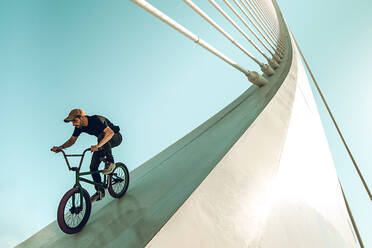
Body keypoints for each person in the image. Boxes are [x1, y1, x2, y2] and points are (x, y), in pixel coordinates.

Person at [51, 109, 122, 202]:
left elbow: (110, 133)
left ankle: (110, 162)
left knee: (102, 136)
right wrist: (60, 148)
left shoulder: (95, 120)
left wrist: (98, 146)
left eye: (74, 121)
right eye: (72, 122)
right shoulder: (79, 127)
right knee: (93, 167)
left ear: (82, 117)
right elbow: (72, 140)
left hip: (115, 137)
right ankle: (100, 191)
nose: (73, 124)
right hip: (102, 143)